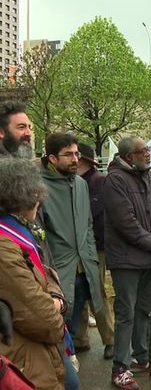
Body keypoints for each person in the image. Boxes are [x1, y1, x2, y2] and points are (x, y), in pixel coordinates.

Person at [104, 137, 151, 389]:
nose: (148, 154)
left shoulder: (150, 177)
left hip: (149, 257)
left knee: (145, 309)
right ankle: (120, 366)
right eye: (143, 151)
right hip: (126, 260)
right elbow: (126, 223)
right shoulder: (115, 181)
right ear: (129, 156)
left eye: (148, 150)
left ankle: (142, 357)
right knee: (126, 313)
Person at [0, 158, 66, 390]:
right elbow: (44, 321)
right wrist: (57, 307)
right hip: (24, 360)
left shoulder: (23, 230)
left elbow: (46, 272)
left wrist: (55, 298)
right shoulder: (5, 246)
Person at [40, 133, 104, 339]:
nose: (75, 159)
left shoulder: (80, 184)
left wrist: (91, 257)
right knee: (58, 327)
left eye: (76, 153)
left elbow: (87, 224)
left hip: (84, 268)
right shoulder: (38, 187)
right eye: (68, 154)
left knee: (74, 327)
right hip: (58, 271)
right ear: (52, 158)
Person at [73, 143, 115, 360]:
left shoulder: (98, 181)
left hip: (94, 247)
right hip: (76, 248)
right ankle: (80, 339)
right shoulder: (74, 181)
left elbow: (94, 214)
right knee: (77, 291)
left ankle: (110, 340)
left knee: (96, 292)